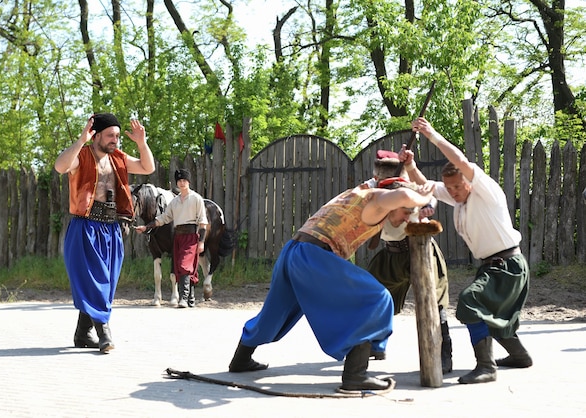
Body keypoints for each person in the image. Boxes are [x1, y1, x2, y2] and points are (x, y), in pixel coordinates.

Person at [227, 178, 436, 393]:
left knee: (275, 312)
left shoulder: (361, 193)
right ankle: (355, 376)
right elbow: (404, 195)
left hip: (294, 251)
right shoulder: (377, 199)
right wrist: (425, 195)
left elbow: (400, 197)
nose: (405, 218)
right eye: (406, 212)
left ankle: (240, 360)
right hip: (314, 256)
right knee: (376, 298)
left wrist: (417, 198)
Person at [402, 117, 532, 384]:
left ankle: (486, 367)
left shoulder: (486, 191)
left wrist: (432, 134)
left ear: (470, 182)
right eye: (450, 188)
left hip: (508, 265)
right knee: (490, 314)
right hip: (492, 266)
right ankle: (519, 357)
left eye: (458, 186)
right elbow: (427, 187)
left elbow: (460, 160)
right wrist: (410, 166)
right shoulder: (456, 197)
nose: (454, 192)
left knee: (471, 302)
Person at [55, 113, 155, 353]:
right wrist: (80, 141)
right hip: (85, 227)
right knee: (95, 280)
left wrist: (142, 142)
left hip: (111, 228)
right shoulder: (82, 157)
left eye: (118, 136)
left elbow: (147, 167)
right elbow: (60, 166)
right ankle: (104, 334)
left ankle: (82, 334)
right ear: (96, 135)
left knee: (106, 283)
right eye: (111, 135)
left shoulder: (118, 158)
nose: (115, 140)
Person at [363, 150, 452, 374]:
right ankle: (374, 344)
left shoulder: (409, 189)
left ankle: (442, 353)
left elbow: (430, 193)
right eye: (380, 170)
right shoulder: (370, 190)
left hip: (420, 250)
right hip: (389, 254)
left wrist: (428, 205)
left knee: (435, 302)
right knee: (371, 298)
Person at [135, 169, 208, 308]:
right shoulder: (174, 202)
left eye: (184, 181)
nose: (181, 183)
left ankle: (183, 299)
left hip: (191, 235)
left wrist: (202, 241)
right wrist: (146, 227)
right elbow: (163, 218)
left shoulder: (196, 198)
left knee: (184, 265)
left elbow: (203, 222)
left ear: (188, 182)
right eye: (179, 181)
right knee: (183, 267)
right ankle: (190, 298)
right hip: (178, 236)